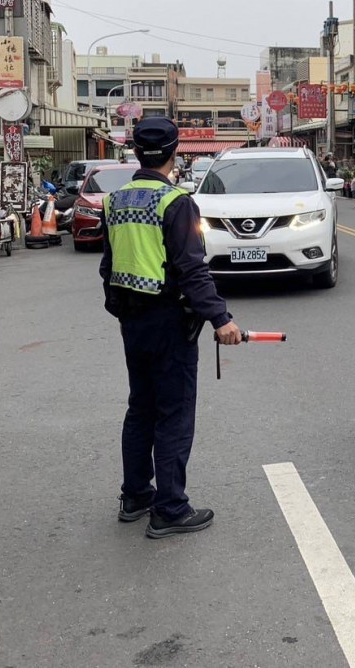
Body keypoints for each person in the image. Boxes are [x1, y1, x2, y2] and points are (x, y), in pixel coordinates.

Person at [100, 117, 243, 540]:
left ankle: (136, 495)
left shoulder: (116, 201)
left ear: (135, 152)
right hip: (168, 322)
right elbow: (193, 271)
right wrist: (221, 319)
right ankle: (170, 508)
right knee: (174, 412)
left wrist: (124, 311)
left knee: (140, 407)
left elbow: (107, 267)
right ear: (174, 152)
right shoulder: (176, 203)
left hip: (133, 320)